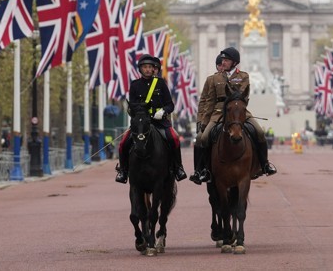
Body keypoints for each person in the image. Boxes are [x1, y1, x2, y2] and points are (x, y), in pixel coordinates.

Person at [189, 47, 277, 184]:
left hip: (239, 112)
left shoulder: (243, 76)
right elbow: (210, 101)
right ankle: (202, 170)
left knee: (259, 132)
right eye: (222, 60)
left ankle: (264, 165)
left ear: (234, 62)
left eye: (226, 60)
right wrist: (203, 121)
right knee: (203, 137)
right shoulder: (214, 78)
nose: (223, 62)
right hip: (218, 112)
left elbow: (242, 95)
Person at [114, 55, 187, 183]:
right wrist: (140, 113)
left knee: (174, 139)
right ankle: (123, 171)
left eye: (150, 67)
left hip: (160, 121)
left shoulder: (160, 83)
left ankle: (178, 168)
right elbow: (132, 105)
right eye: (145, 67)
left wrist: (163, 111)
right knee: (123, 144)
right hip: (141, 123)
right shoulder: (135, 85)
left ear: (154, 69)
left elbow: (170, 104)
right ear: (140, 69)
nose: (147, 70)